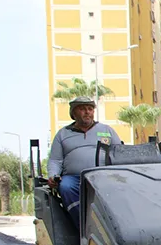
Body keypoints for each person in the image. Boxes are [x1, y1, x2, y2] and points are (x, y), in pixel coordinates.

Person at [47, 96, 122, 229]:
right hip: (75, 178)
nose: (87, 112)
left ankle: (114, 227)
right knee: (65, 187)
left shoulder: (106, 130)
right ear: (73, 113)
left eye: (90, 109)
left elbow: (119, 153)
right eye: (82, 109)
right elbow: (55, 160)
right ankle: (86, 227)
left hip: (102, 175)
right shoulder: (62, 134)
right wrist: (53, 175)